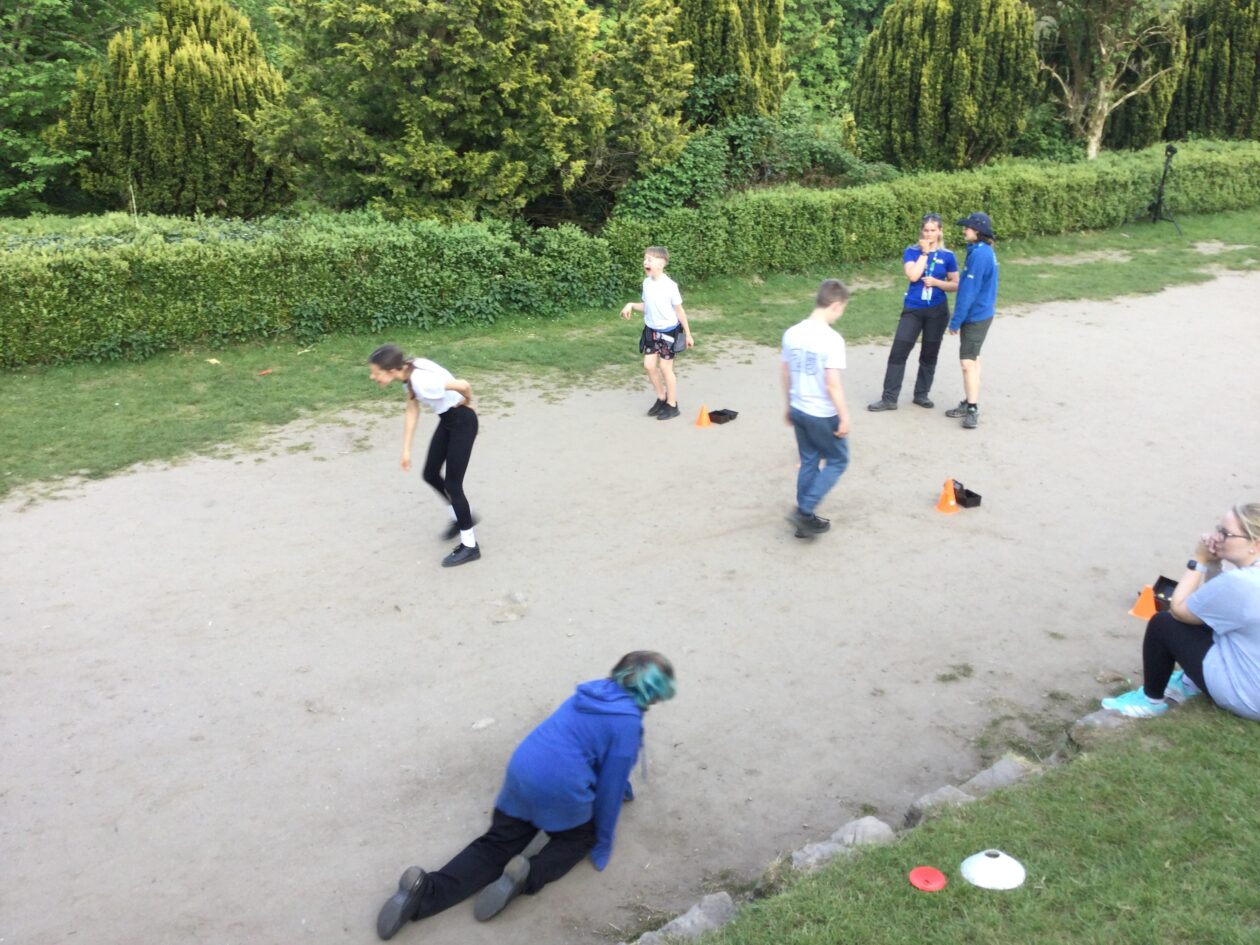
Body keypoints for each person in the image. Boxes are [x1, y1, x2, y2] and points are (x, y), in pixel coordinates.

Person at [375, 652, 678, 940]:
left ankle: (423, 892)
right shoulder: (627, 724)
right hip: (562, 787)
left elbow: (591, 746)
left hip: (523, 771)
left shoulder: (593, 692)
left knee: (495, 846)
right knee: (578, 839)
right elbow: (609, 791)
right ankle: (525, 875)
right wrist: (602, 841)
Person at [1103, 503, 1260, 721]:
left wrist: (1199, 561)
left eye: (1226, 534)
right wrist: (1214, 565)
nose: (1217, 537)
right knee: (1209, 621)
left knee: (1163, 624)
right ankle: (1190, 682)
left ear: (1255, 543)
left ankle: (1150, 701)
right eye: (1218, 529)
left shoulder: (1242, 582)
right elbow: (1214, 606)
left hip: (1249, 697)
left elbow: (1179, 610)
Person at [368, 344, 481, 568]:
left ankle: (470, 546)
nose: (373, 377)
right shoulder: (409, 373)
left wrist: (467, 400)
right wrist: (406, 450)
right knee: (430, 474)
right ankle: (460, 517)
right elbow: (412, 409)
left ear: (391, 370)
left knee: (453, 484)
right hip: (449, 421)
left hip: (462, 423)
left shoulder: (421, 381)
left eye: (376, 372)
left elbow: (463, 385)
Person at [781, 279, 851, 539]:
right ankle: (804, 510)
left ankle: (805, 519)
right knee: (838, 460)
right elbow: (832, 384)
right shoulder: (832, 339)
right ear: (835, 305)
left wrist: (789, 404)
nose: (839, 316)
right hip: (821, 413)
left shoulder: (792, 333)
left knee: (809, 459)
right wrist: (844, 416)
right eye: (841, 310)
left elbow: (785, 372)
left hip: (799, 407)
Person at [868, 213, 959, 412]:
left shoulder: (948, 256)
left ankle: (921, 394)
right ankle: (889, 398)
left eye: (933, 230)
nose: (929, 234)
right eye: (926, 230)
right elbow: (913, 275)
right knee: (898, 352)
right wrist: (924, 254)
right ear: (921, 231)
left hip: (937, 311)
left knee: (929, 354)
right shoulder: (911, 251)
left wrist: (937, 283)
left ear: (940, 231)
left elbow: (955, 284)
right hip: (913, 309)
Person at [619, 246, 694, 420]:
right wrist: (631, 305)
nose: (645, 262)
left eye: (650, 260)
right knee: (649, 366)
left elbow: (679, 311)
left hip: (669, 332)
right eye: (645, 259)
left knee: (665, 368)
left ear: (661, 264)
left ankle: (672, 405)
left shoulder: (670, 286)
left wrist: (688, 334)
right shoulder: (647, 283)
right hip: (651, 330)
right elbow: (647, 306)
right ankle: (661, 398)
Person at [944, 212, 999, 430]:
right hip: (982, 313)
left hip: (976, 316)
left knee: (967, 363)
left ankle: (972, 408)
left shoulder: (979, 255)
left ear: (978, 231)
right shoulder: (982, 250)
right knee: (974, 360)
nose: (964, 230)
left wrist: (955, 321)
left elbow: (969, 291)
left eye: (967, 227)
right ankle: (969, 400)